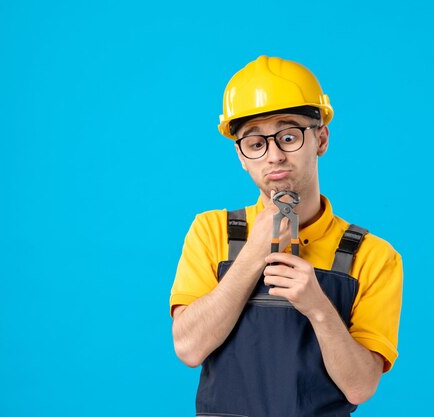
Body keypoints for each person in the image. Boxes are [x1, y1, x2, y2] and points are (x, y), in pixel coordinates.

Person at [170, 55, 403, 417]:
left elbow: (360, 386)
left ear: (321, 139)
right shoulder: (211, 231)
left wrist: (319, 307)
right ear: (241, 156)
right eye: (256, 143)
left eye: (289, 136)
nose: (274, 156)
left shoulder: (373, 256)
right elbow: (188, 348)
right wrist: (253, 253)